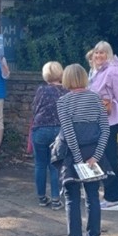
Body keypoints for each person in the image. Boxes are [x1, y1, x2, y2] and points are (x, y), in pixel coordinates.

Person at [53, 64, 110, 236]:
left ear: (66, 79)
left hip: (72, 155)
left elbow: (69, 133)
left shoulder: (63, 102)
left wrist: (78, 159)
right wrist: (95, 156)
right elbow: (105, 129)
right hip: (94, 154)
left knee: (72, 198)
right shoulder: (95, 98)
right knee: (93, 197)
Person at [87, 41, 118, 211]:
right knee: (102, 157)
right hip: (98, 119)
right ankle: (109, 195)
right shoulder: (97, 70)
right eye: (96, 52)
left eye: (103, 53)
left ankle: (114, 199)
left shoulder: (113, 71)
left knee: (109, 158)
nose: (99, 56)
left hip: (108, 121)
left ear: (109, 54)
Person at [30, 61, 67, 210]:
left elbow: (34, 108)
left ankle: (41, 197)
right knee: (55, 166)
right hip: (59, 130)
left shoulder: (41, 90)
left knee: (40, 164)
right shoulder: (66, 91)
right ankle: (56, 199)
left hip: (40, 129)